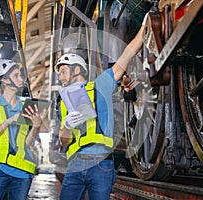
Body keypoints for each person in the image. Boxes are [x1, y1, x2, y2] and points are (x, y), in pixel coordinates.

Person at [54, 16, 146, 200]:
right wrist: (67, 126)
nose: (61, 77)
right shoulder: (63, 102)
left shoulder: (101, 85)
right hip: (74, 165)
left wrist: (145, 27)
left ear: (77, 70)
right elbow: (64, 143)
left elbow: (126, 57)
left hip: (100, 163)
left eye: (63, 71)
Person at [0, 59, 42, 200]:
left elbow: (27, 143)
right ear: (4, 80)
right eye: (16, 76)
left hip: (23, 172)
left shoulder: (26, 107)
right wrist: (7, 122)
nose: (21, 79)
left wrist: (36, 126)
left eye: (20, 75)